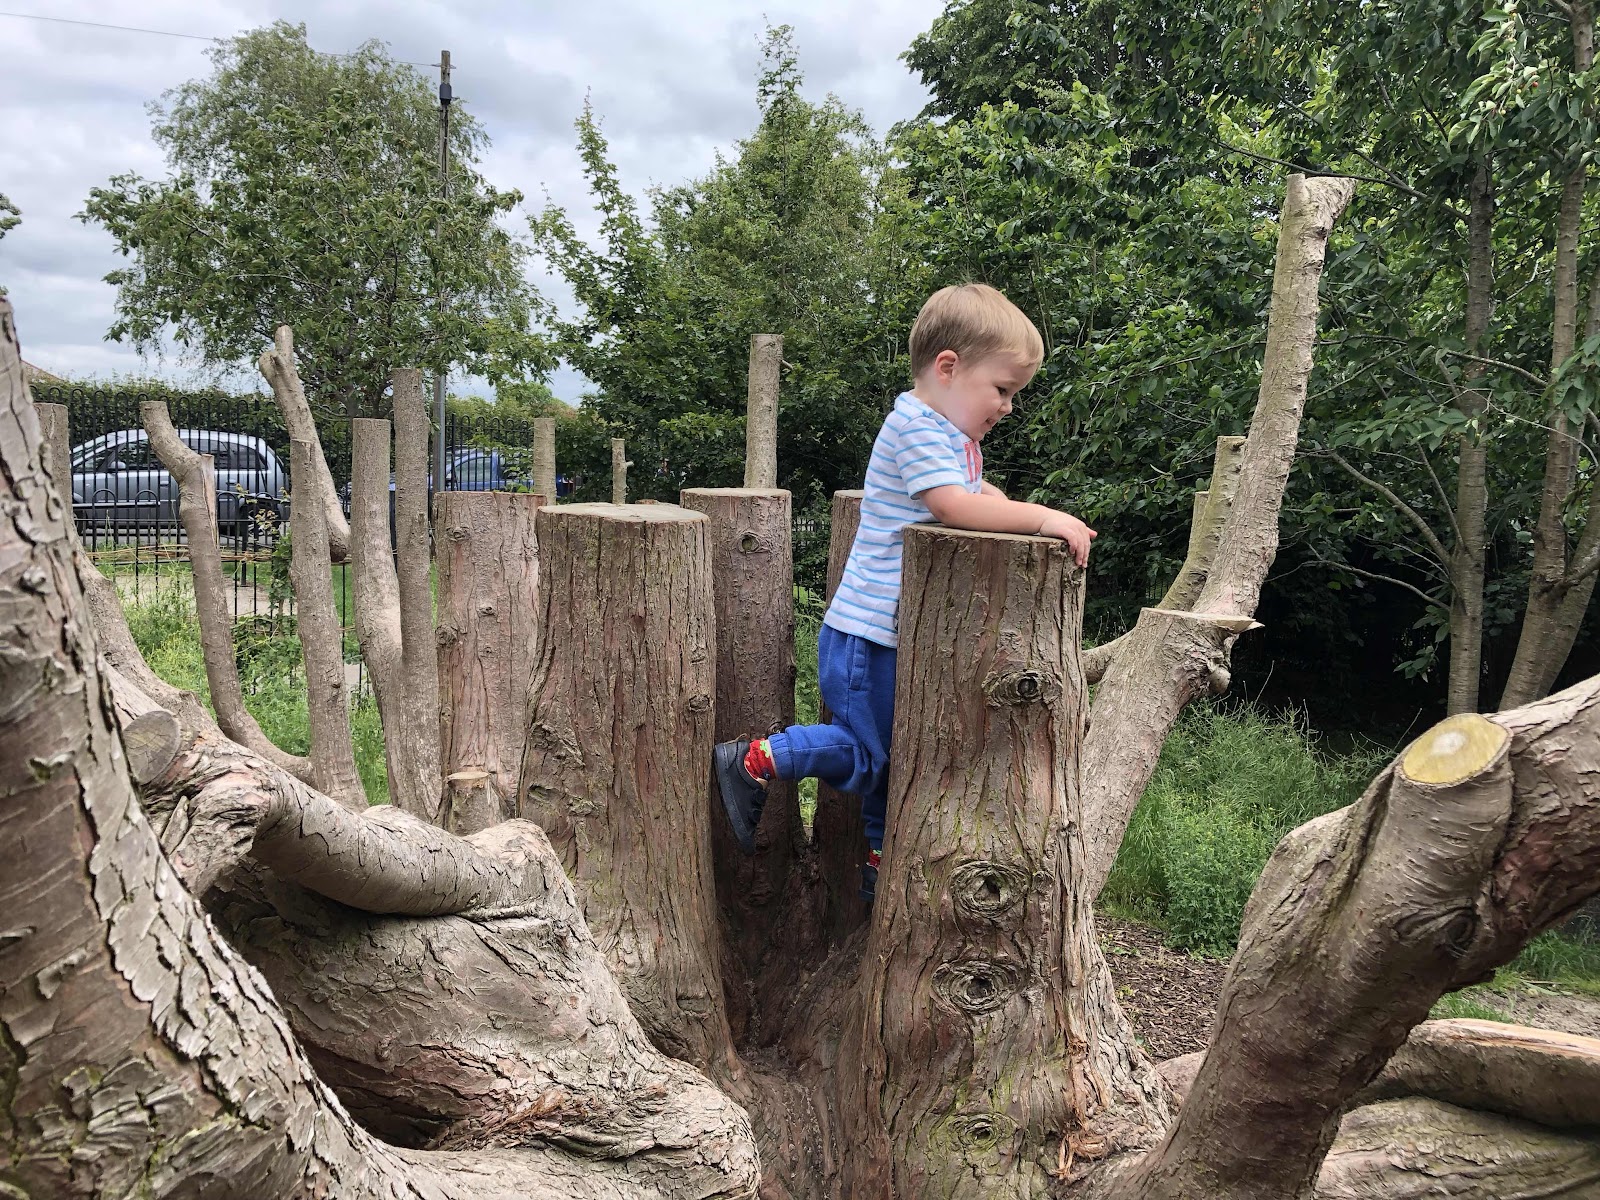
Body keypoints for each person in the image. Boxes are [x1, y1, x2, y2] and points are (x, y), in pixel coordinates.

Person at [713, 283, 1096, 901]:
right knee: (873, 756)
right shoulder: (914, 425)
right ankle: (755, 761)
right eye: (1002, 389)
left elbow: (969, 496)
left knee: (892, 760)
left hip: (888, 636)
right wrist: (1041, 516)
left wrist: (993, 500)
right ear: (949, 367)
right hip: (867, 638)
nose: (1008, 406)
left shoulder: (950, 435)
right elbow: (950, 505)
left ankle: (877, 865)